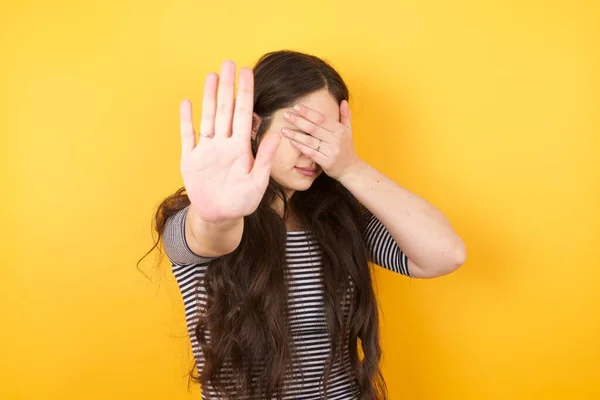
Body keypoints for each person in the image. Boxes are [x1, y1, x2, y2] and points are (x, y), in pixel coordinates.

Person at [151, 50, 466, 400]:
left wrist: (350, 168)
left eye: (327, 136)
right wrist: (218, 215)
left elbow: (445, 254)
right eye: (301, 131)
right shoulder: (201, 220)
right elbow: (210, 237)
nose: (314, 151)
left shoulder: (340, 219)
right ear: (254, 126)